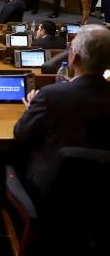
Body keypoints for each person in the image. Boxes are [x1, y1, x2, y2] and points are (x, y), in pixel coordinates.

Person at [13, 25, 110, 205]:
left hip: (51, 191)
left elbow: (20, 134)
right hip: (101, 193)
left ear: (74, 57)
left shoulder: (51, 95)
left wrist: (31, 110)